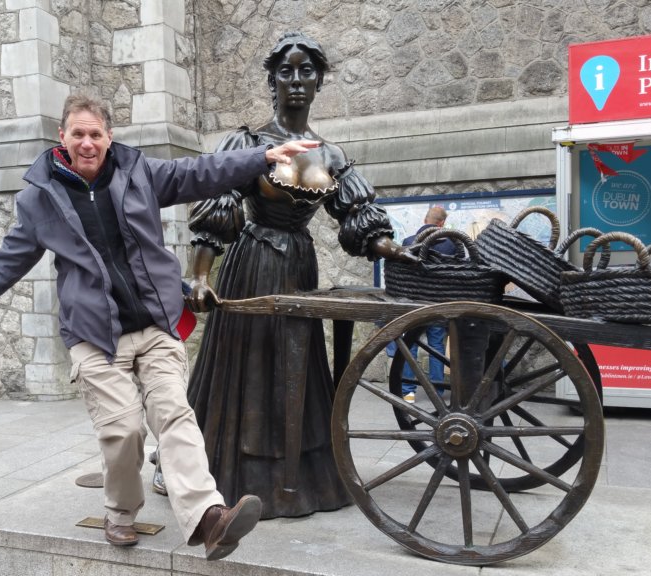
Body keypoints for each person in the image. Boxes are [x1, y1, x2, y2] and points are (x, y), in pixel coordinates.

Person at [0, 94, 320, 561]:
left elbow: (200, 172)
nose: (87, 143)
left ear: (109, 137)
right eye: (78, 134)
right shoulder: (39, 199)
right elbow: (5, 263)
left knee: (174, 414)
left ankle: (209, 518)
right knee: (124, 430)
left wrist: (262, 157)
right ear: (63, 137)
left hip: (154, 325)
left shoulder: (139, 173)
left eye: (95, 134)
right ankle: (120, 511)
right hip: (95, 337)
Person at [184, 32, 406, 520]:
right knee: (248, 365)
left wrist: (390, 246)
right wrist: (199, 275)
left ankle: (303, 478)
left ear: (319, 81)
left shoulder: (330, 154)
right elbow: (217, 209)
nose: (297, 80)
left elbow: (358, 217)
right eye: (287, 71)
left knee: (297, 365)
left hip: (300, 264)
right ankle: (232, 473)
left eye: (307, 71)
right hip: (253, 265)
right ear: (273, 82)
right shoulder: (248, 143)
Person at [394, 206, 455, 403]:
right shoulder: (450, 244)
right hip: (437, 303)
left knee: (410, 345)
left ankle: (408, 391)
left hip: (412, 303)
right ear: (442, 224)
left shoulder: (408, 242)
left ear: (424, 219)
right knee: (436, 346)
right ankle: (436, 391)